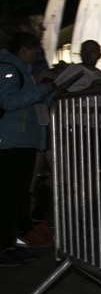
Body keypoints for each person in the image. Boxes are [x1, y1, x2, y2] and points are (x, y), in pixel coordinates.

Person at [0, 33, 63, 267]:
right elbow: (8, 101)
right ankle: (3, 248)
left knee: (15, 198)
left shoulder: (23, 73)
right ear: (24, 50)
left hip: (22, 141)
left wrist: (50, 90)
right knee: (7, 198)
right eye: (36, 51)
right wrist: (41, 88)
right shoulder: (8, 69)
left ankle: (8, 244)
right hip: (10, 143)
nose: (38, 57)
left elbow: (30, 104)